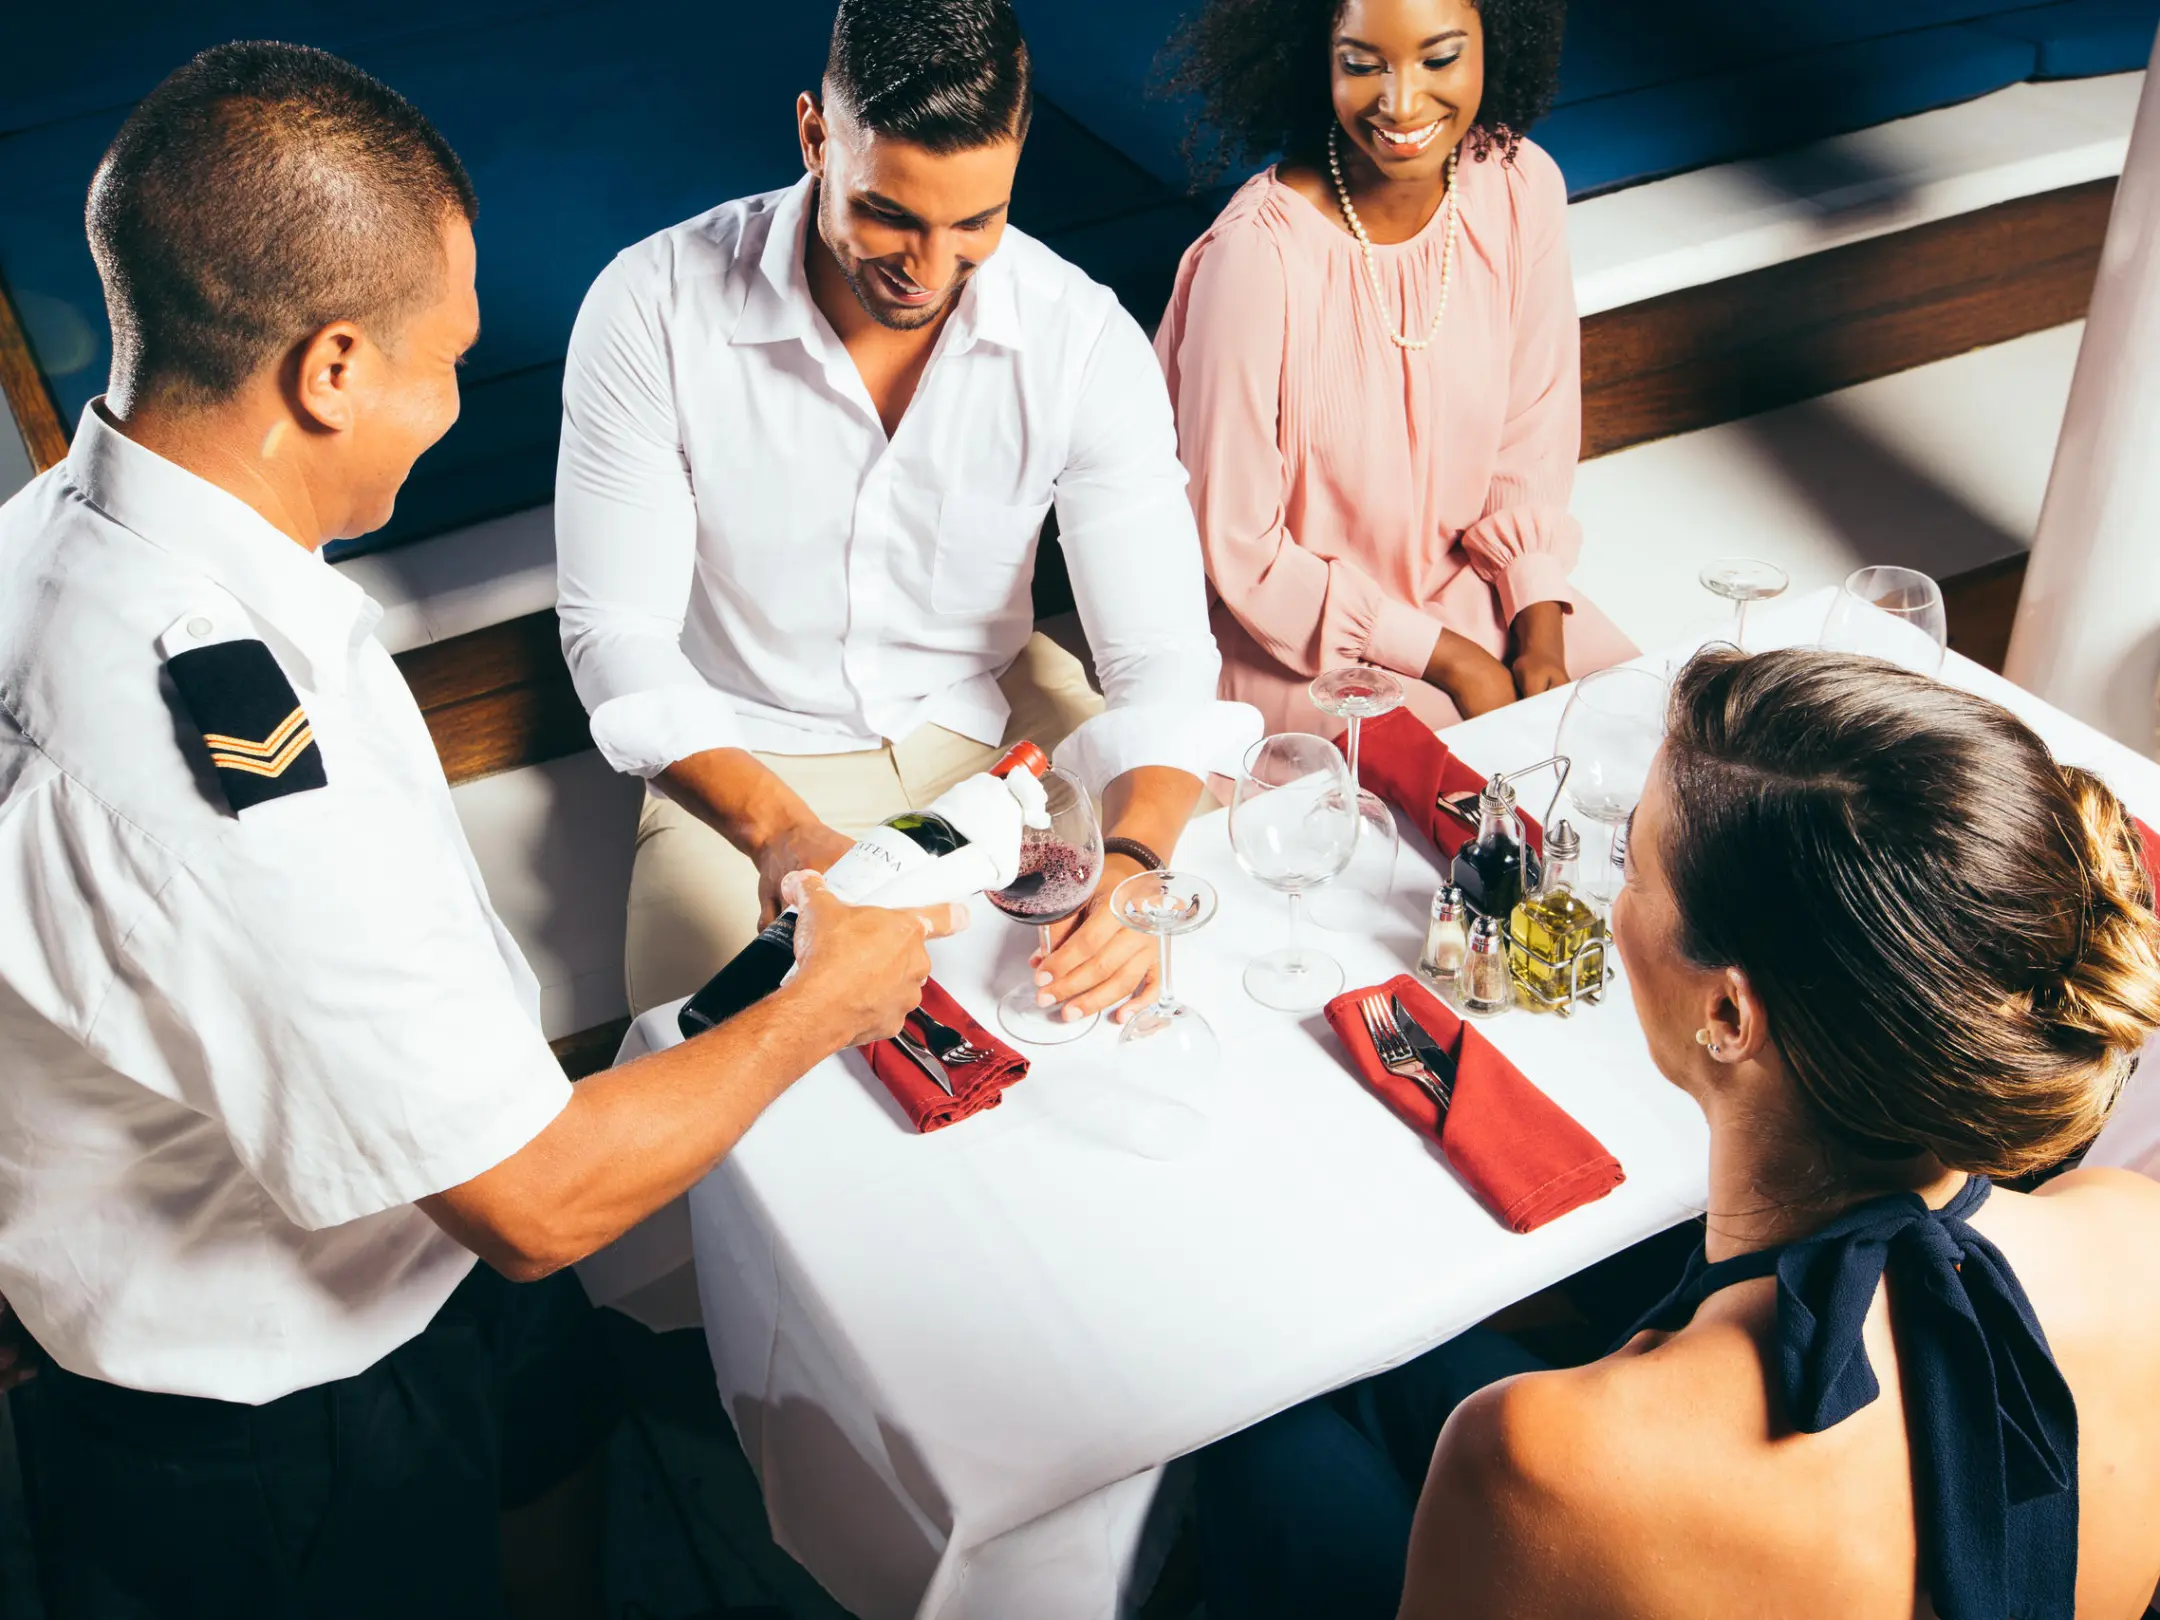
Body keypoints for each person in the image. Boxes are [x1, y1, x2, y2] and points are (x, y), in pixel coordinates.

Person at [0, 43, 958, 1619]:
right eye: (443, 360)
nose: (458, 400)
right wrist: (825, 1004)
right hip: (277, 1427)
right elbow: (535, 1204)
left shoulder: (83, 525)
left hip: (411, 1264)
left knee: (557, 1448)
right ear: (330, 370)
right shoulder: (221, 773)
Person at [1196, 647, 2160, 1618]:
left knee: (1242, 1429)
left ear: (1731, 1018)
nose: (1615, 908)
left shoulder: (1547, 1462)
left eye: (1637, 869)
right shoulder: (2137, 1237)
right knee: (1396, 1369)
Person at [555, 0, 1257, 1025]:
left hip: (996, 732)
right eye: (889, 214)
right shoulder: (651, 307)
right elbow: (614, 637)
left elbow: (1160, 656)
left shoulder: (1082, 338)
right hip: (748, 761)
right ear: (813, 136)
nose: (928, 271)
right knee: (709, 1061)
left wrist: (1136, 861)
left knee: (1162, 980)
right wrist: (779, 832)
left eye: (975, 222)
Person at [1156, 0, 1637, 738]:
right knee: (1459, 807)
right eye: (1361, 64)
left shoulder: (1518, 187)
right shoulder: (1256, 258)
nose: (1401, 102)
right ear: (1316, 57)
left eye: (1439, 59)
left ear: (1495, 45)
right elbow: (1239, 546)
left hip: (1474, 591)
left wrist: (1537, 619)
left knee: (1648, 745)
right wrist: (1453, 662)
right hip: (1301, 639)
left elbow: (1531, 439)